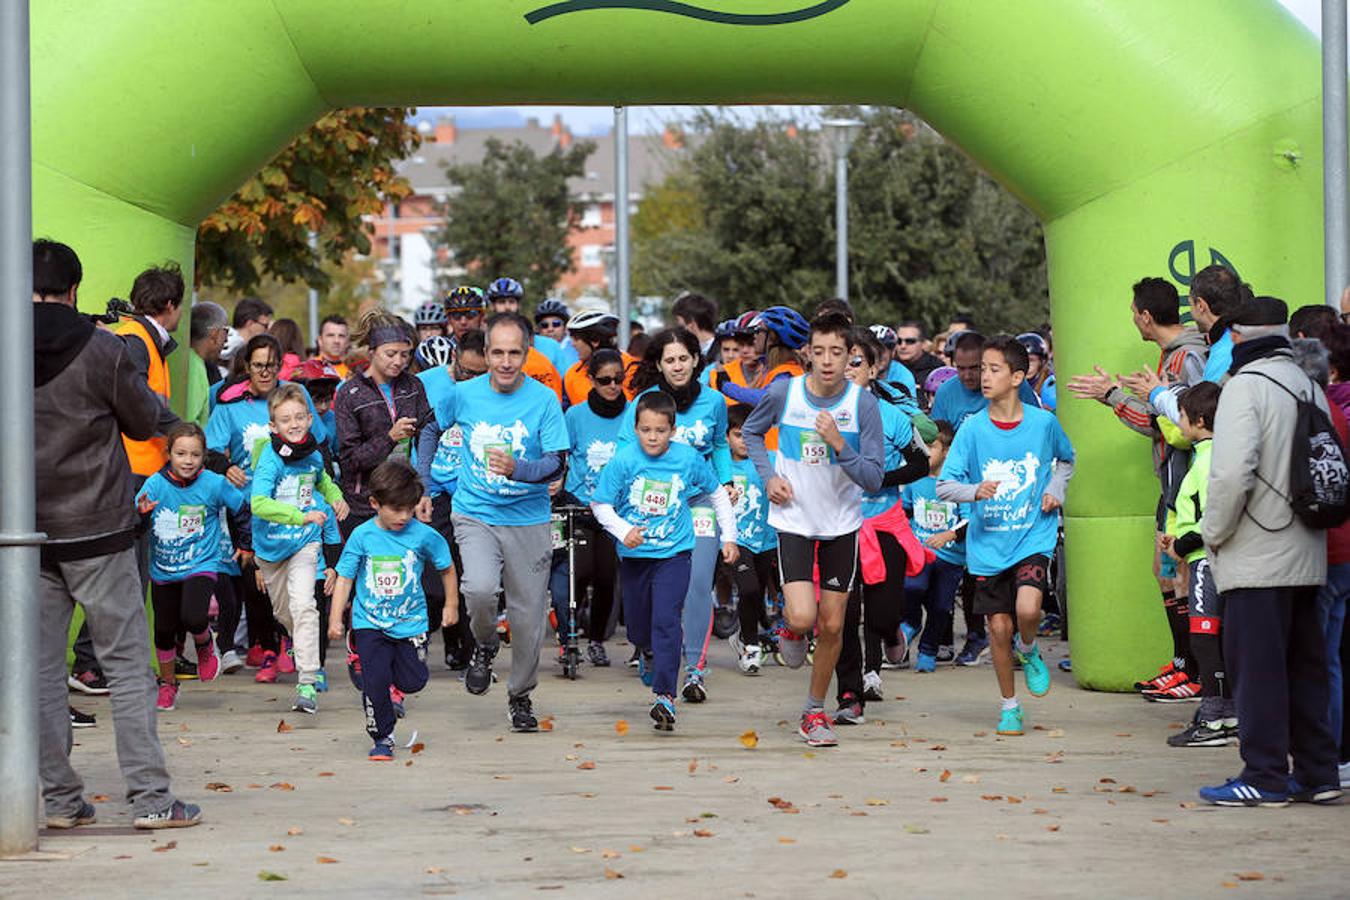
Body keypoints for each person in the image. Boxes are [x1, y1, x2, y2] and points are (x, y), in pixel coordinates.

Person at [33, 238, 201, 830]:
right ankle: (152, 800)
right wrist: (181, 428)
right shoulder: (101, 348)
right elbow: (140, 418)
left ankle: (58, 800)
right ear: (75, 289)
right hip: (100, 531)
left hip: (27, 537)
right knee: (128, 667)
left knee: (44, 670)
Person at [1199, 295, 1342, 807]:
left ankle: (1263, 775)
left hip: (1258, 553)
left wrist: (1212, 531)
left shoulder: (1245, 387)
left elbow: (1232, 473)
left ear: (1237, 336)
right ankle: (1318, 773)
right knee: (1306, 666)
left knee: (1256, 670)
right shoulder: (1309, 384)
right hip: (1308, 547)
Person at [742, 313, 885, 748]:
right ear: (806, 353)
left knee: (834, 625)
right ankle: (789, 629)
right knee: (804, 617)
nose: (827, 361)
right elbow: (751, 432)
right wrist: (768, 477)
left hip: (841, 524)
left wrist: (840, 444)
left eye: (837, 353)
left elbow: (874, 478)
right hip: (796, 519)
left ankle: (813, 712)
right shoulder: (786, 392)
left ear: (850, 358)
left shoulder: (862, 405)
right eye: (819, 351)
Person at [421, 313, 569, 732]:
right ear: (485, 354)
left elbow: (557, 463)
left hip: (528, 519)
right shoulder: (463, 394)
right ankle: (484, 644)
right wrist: (424, 483)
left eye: (514, 353)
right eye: (497, 352)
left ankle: (520, 695)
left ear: (526, 354)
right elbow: (429, 430)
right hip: (476, 513)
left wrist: (517, 469)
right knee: (480, 590)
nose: (505, 362)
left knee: (528, 619)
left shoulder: (542, 400)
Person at [1067, 277, 1207, 696]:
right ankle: (1183, 662)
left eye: (1133, 313)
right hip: (1170, 485)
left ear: (1146, 316)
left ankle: (1195, 672)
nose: (1133, 320)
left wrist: (1112, 396)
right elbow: (1161, 418)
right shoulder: (1171, 355)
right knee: (1165, 574)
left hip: (1186, 487)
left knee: (1180, 576)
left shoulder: (1187, 357)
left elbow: (1181, 423)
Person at [937, 335, 1074, 736]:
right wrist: (973, 491)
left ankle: (1029, 650)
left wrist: (1055, 490)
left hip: (1032, 535)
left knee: (1028, 610)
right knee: (998, 628)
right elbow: (946, 485)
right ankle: (1010, 706)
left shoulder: (1043, 423)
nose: (984, 376)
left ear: (1018, 376)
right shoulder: (973, 430)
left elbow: (1066, 461)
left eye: (994, 369)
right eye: (982, 369)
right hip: (987, 544)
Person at [591, 392, 737, 731]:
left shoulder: (687, 460)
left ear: (673, 430)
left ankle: (665, 697)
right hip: (635, 556)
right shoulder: (624, 460)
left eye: (660, 430)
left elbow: (716, 493)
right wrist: (624, 530)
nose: (652, 437)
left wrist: (728, 537)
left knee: (667, 619)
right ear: (636, 428)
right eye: (645, 430)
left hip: (675, 553)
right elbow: (601, 504)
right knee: (641, 627)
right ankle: (647, 651)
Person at [206, 333, 328, 681]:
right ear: (247, 366)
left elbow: (318, 442)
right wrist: (223, 466)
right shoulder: (229, 403)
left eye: (271, 366)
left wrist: (329, 492)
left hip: (299, 503)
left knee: (302, 584)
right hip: (249, 505)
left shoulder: (294, 395)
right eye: (258, 365)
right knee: (257, 582)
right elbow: (211, 449)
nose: (265, 372)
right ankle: (269, 649)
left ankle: (300, 651)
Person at [621, 328, 733, 703]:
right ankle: (651, 647)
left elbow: (719, 445)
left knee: (698, 582)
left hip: (699, 500)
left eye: (684, 358)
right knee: (653, 594)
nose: (677, 365)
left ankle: (695, 670)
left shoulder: (715, 402)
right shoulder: (645, 403)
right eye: (670, 359)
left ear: (696, 360)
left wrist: (728, 480)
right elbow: (625, 450)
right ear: (658, 364)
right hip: (654, 505)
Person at [833, 330, 931, 724]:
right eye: (845, 359)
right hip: (839, 526)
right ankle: (851, 692)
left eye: (858, 361)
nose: (849, 367)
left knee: (881, 614)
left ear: (874, 369)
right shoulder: (822, 414)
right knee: (843, 610)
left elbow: (920, 464)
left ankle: (892, 635)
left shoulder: (891, 416)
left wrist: (879, 479)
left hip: (884, 523)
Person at [329, 460, 457, 760]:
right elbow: (345, 578)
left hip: (411, 623)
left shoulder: (424, 535)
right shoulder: (362, 536)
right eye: (396, 509)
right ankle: (382, 738)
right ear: (375, 503)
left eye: (409, 509)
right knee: (375, 682)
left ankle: (392, 683)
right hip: (369, 622)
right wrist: (336, 618)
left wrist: (451, 604)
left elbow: (447, 568)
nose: (403, 516)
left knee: (413, 681)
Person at [252, 384, 350, 714]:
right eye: (285, 419)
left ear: (310, 418)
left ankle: (307, 679)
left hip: (306, 541)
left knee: (305, 605)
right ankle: (298, 644)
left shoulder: (312, 453)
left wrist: (335, 497)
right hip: (270, 547)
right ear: (273, 426)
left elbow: (321, 479)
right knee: (285, 613)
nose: (293, 424)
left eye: (298, 417)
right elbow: (258, 503)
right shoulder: (270, 459)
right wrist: (298, 515)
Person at [135, 422, 247, 710]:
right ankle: (168, 684)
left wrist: (245, 543)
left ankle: (204, 642)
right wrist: (142, 516)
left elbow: (242, 508)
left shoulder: (213, 483)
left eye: (195, 455)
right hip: (164, 571)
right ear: (169, 453)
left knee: (194, 616)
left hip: (202, 563)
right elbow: (134, 523)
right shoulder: (155, 484)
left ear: (203, 457)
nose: (188, 461)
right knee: (163, 630)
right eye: (181, 453)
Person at [1158, 382, 1237, 745]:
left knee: (1205, 638)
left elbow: (1212, 517)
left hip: (1206, 560)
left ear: (1200, 421)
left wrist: (1182, 543)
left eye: (1183, 418)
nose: (1180, 425)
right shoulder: (1211, 454)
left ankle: (1215, 718)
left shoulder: (1208, 460)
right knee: (1213, 638)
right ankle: (1226, 712)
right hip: (1206, 557)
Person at [550, 349, 629, 666]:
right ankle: (568, 635)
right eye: (605, 380)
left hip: (616, 510)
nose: (612, 386)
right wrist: (555, 481)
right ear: (591, 381)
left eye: (618, 379)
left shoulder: (632, 414)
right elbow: (560, 455)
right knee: (578, 572)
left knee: (607, 578)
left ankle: (596, 640)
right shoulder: (575, 416)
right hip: (580, 505)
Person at [903, 421, 967, 673]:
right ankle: (910, 622)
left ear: (948, 450)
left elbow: (969, 518)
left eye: (932, 446)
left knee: (941, 606)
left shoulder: (959, 482)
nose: (926, 452)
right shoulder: (913, 480)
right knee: (912, 587)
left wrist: (949, 535)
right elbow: (905, 513)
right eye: (922, 446)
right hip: (919, 553)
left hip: (950, 557)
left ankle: (928, 650)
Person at [117, 263, 186, 483]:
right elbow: (136, 399)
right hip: (135, 467)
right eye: (181, 305)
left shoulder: (143, 339)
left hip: (145, 464)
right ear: (169, 305)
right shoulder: (137, 340)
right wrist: (182, 430)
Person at [726, 404, 777, 675]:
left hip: (766, 540)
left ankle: (746, 634)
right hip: (735, 541)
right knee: (748, 589)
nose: (744, 441)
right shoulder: (721, 466)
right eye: (737, 434)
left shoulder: (771, 459)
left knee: (756, 592)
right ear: (726, 437)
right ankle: (750, 644)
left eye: (750, 434)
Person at [1320, 324, 1350, 787]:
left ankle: (1327, 757)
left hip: (1328, 547)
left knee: (1321, 657)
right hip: (1339, 546)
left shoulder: (1326, 409)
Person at [562, 311, 636, 406]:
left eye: (576, 339)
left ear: (595, 340)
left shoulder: (633, 369)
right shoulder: (571, 375)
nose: (572, 344)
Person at [186, 302, 229, 426]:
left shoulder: (192, 362)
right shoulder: (194, 368)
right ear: (215, 334)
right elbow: (190, 421)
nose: (226, 340)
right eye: (225, 331)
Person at [672, 291, 720, 368]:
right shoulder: (685, 351)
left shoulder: (724, 353)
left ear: (692, 323)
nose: (677, 327)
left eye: (679, 321)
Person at [896, 320, 944, 390]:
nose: (903, 346)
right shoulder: (889, 367)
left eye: (910, 341)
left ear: (923, 343)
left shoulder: (937, 369)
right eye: (899, 341)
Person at [226, 297, 274, 361]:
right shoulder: (234, 348)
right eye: (265, 326)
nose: (268, 330)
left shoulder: (224, 340)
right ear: (250, 324)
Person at [1017, 332, 1056, 411]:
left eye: (1031, 360)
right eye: (1020, 360)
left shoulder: (1052, 384)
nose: (1026, 366)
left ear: (1041, 362)